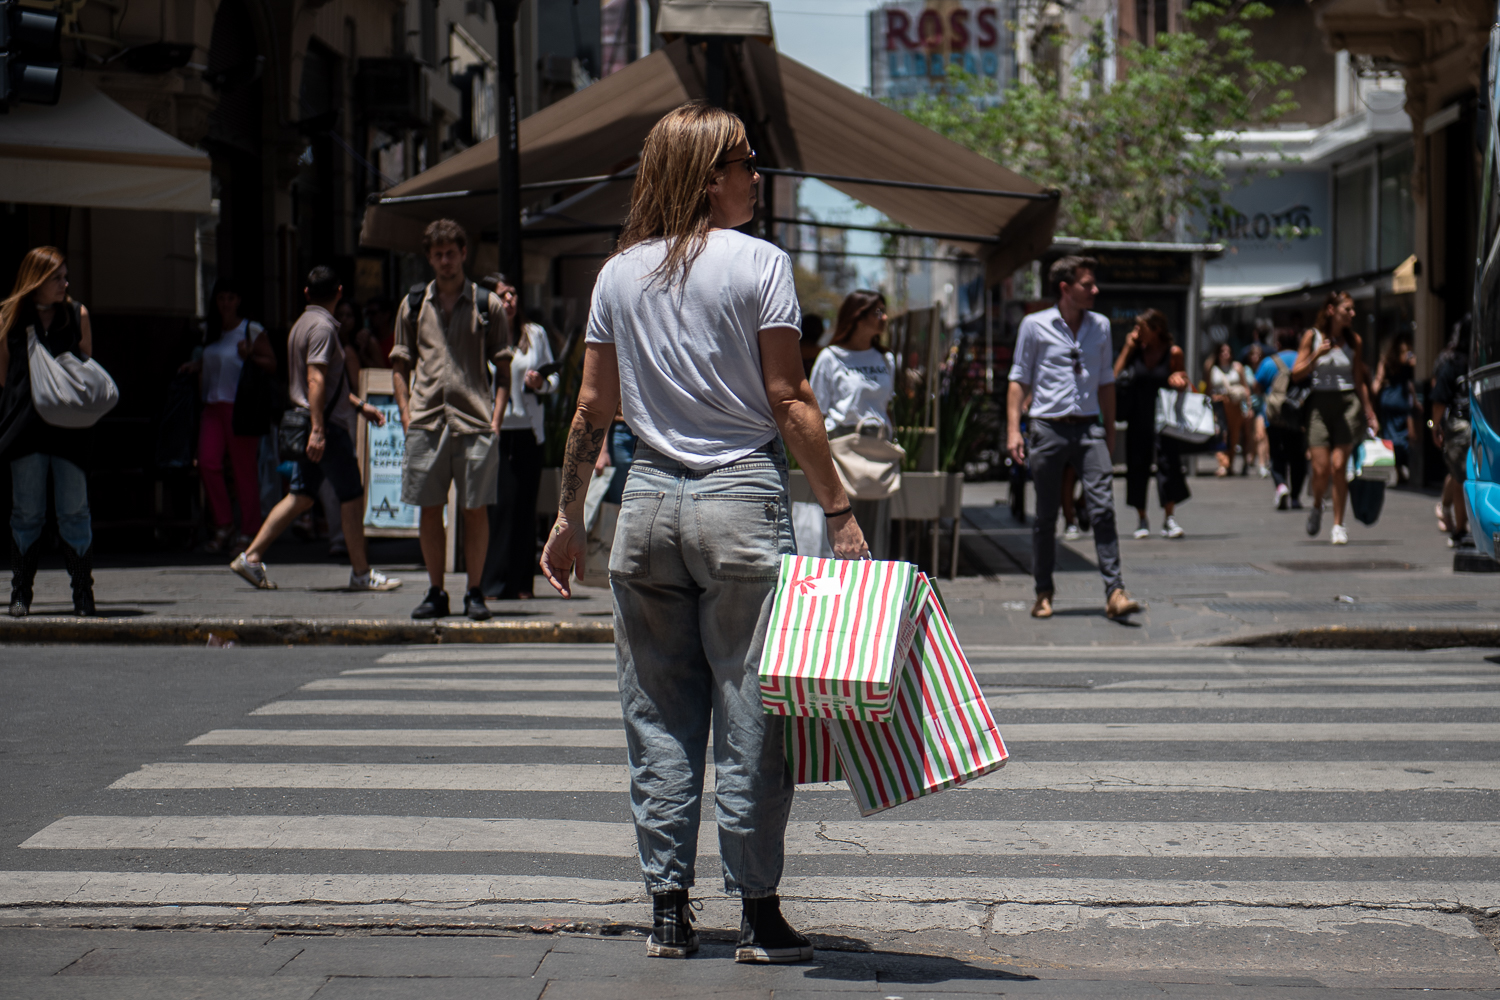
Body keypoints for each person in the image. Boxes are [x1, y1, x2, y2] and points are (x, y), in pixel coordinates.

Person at [539, 103, 865, 964]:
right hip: (740, 500)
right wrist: (838, 510)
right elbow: (789, 399)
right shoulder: (760, 263)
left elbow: (591, 409)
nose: (757, 176)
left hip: (646, 501)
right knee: (751, 709)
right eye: (747, 162)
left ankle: (669, 911)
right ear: (710, 176)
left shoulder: (618, 275)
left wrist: (568, 517)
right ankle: (758, 913)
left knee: (656, 715)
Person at [229, 266, 400, 593]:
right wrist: (319, 430)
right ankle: (361, 573)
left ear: (307, 293)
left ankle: (251, 557)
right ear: (339, 292)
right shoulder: (323, 328)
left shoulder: (301, 326)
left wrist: (359, 406)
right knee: (352, 496)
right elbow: (316, 379)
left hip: (314, 420)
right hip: (325, 427)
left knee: (301, 496)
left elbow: (327, 383)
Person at [1006, 255, 1140, 621]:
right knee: (1045, 515)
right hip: (1047, 427)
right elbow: (1019, 380)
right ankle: (1043, 592)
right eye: (1086, 284)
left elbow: (1106, 381)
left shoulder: (1101, 326)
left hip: (1088, 427)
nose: (1095, 290)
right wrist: (1013, 430)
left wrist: (1109, 431)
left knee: (1103, 508)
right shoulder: (1035, 325)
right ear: (1065, 288)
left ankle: (1115, 592)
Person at [391, 219, 512, 621]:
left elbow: (504, 370)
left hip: (474, 421)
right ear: (429, 258)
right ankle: (436, 590)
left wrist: (495, 420)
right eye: (438, 254)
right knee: (429, 508)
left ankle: (474, 591)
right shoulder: (412, 305)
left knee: (475, 509)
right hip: (426, 421)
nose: (445, 260)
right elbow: (399, 364)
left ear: (463, 253)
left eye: (451, 253)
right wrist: (406, 415)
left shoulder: (487, 305)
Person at [0, 247, 99, 616]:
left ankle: (83, 594)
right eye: (57, 277)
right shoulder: (10, 316)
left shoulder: (76, 314)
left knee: (75, 511)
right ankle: (20, 593)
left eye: (66, 276)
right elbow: (4, 375)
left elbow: (87, 368)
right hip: (26, 428)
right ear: (36, 279)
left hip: (70, 429)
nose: (65, 284)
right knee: (27, 513)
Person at [181, 277, 275, 553]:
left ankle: (249, 531)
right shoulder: (210, 330)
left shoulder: (250, 330)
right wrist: (197, 366)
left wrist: (250, 355)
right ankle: (224, 524)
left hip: (240, 407)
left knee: (244, 470)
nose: (225, 303)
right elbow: (215, 360)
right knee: (207, 462)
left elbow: (272, 364)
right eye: (221, 298)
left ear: (239, 301)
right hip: (212, 406)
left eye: (231, 298)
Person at [481, 277, 559, 600]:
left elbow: (554, 379)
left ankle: (522, 583)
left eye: (512, 294)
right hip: (495, 429)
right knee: (499, 506)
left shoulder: (534, 334)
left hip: (529, 431)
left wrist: (541, 383)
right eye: (502, 295)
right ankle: (493, 583)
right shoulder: (483, 334)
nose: (509, 300)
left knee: (525, 506)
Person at [809, 289, 896, 559]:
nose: (885, 318)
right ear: (857, 316)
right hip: (842, 450)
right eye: (878, 312)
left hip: (878, 450)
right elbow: (816, 411)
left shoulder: (886, 359)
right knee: (843, 527)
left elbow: (887, 405)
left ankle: (876, 583)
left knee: (876, 529)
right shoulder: (831, 357)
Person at [1291, 291, 1379, 545]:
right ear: (1331, 310)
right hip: (1319, 405)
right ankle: (1318, 504)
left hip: (1347, 404)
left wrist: (1369, 412)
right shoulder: (1312, 337)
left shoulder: (1354, 341)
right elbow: (1296, 373)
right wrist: (1316, 355)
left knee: (1339, 466)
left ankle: (1338, 524)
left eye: (1352, 309)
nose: (1352, 314)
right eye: (1347, 309)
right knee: (1321, 469)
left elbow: (1359, 380)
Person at [1112, 308, 1189, 540]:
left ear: (1156, 329)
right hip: (1138, 416)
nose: (1136, 331)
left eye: (1141, 327)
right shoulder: (1135, 352)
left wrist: (1179, 380)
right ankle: (1141, 518)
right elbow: (1114, 377)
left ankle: (1169, 518)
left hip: (1165, 418)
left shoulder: (1173, 352)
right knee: (1137, 466)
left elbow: (1183, 379)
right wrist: (1128, 348)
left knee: (1168, 465)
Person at [1255, 326, 1308, 510]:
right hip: (1297, 416)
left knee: (1277, 455)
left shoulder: (1269, 363)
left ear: (1277, 344)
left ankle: (1281, 486)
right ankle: (1295, 497)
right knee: (1297, 457)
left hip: (1275, 416)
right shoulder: (1303, 361)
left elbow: (1257, 387)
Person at [1430, 317, 1472, 546]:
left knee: (1459, 478)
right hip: (1479, 423)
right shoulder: (1482, 361)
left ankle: (1460, 528)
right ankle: (1462, 526)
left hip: (1458, 424)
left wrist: (1435, 426)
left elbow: (1439, 401)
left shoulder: (1451, 363)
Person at [1372, 334, 1419, 484]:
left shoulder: (1386, 360)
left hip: (1389, 398)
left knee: (1390, 435)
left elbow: (1378, 380)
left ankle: (1399, 469)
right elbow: (1412, 382)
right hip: (1401, 398)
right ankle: (1404, 467)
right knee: (1406, 436)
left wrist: (1372, 396)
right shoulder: (1409, 361)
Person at [1206, 342, 1252, 477]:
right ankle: (1223, 463)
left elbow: (1246, 388)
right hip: (1218, 404)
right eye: (1222, 351)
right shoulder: (1212, 368)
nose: (1225, 354)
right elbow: (1208, 388)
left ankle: (1229, 464)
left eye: (1228, 351)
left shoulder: (1237, 367)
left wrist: (1248, 407)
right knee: (1220, 433)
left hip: (1235, 405)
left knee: (1233, 435)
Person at [1244, 342, 1271, 478]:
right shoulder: (1246, 370)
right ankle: (1248, 460)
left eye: (1258, 355)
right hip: (1248, 405)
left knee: (1260, 434)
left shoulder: (1265, 367)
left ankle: (1262, 464)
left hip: (1262, 405)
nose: (1255, 357)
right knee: (1249, 435)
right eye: (1253, 355)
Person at [358, 297, 395, 369]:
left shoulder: (395, 341)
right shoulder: (365, 339)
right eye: (367, 313)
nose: (369, 317)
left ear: (387, 315)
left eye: (373, 313)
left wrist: (364, 358)